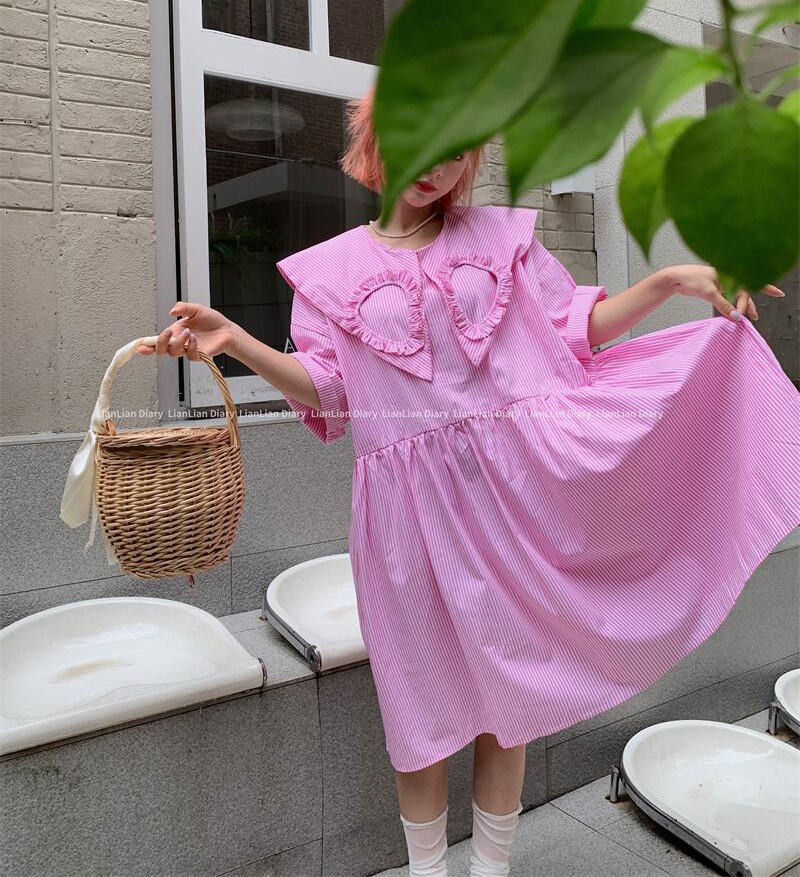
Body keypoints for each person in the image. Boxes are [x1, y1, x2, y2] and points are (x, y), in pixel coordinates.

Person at [139, 85, 799, 877]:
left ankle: (492, 868)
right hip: (405, 512)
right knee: (417, 708)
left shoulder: (498, 238)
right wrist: (238, 342)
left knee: (506, 695)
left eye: (458, 151)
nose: (439, 166)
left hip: (513, 493)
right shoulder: (333, 271)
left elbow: (573, 331)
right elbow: (333, 396)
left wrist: (667, 283)